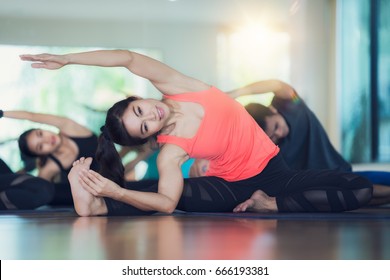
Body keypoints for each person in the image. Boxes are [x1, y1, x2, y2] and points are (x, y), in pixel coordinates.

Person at [20, 50, 373, 216]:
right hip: (231, 187)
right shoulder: (172, 149)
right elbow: (166, 203)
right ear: (150, 136)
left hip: (277, 173)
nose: (150, 116)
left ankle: (272, 205)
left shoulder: (179, 86)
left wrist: (67, 60)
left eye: (140, 109)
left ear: (140, 97)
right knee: (170, 194)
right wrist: (115, 188)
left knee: (362, 189)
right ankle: (98, 204)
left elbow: (126, 58)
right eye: (144, 126)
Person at [191, 79, 390, 205]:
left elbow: (277, 85)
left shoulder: (292, 106)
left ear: (274, 110)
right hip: (319, 184)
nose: (279, 134)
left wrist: (234, 95)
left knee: (377, 184)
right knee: (366, 196)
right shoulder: (267, 148)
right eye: (272, 136)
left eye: (276, 126)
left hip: (341, 170)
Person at [1, 110, 99, 205]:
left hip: (113, 166)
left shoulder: (68, 126)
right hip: (100, 190)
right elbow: (37, 189)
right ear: (42, 154)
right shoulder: (51, 166)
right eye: (40, 146)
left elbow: (31, 116)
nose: (46, 140)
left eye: (40, 134)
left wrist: (2, 113)